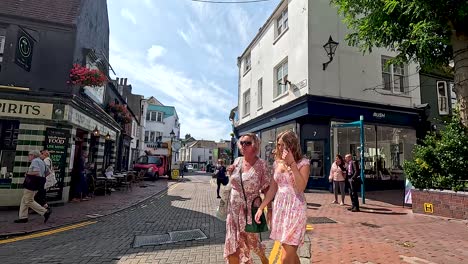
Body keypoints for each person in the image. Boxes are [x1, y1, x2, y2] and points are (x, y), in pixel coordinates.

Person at [255, 130, 310, 264]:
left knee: (285, 258)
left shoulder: (303, 163)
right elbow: (273, 189)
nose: (280, 148)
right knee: (290, 255)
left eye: (283, 145)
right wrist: (261, 207)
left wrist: (292, 164)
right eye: (278, 145)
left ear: (292, 146)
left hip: (296, 209)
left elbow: (301, 187)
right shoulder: (277, 163)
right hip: (281, 209)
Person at [224, 133, 270, 264]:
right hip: (233, 211)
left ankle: (262, 257)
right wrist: (230, 172)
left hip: (250, 211)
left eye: (247, 143)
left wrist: (268, 209)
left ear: (255, 145)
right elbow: (234, 180)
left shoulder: (262, 165)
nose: (243, 145)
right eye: (242, 143)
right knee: (233, 245)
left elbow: (267, 189)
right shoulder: (237, 161)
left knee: (253, 242)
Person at [14, 150, 52, 223]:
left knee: (28, 200)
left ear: (33, 155)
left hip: (32, 183)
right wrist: (41, 177)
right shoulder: (42, 161)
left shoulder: (35, 161)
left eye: (29, 155)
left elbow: (36, 172)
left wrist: (27, 173)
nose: (28, 156)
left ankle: (45, 212)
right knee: (24, 199)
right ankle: (23, 217)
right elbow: (48, 172)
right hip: (39, 183)